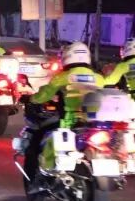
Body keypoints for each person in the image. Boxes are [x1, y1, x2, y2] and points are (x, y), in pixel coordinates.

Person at [27, 41, 105, 171]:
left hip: (71, 121)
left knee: (46, 139)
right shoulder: (99, 78)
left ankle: (45, 171)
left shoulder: (63, 77)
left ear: (67, 57)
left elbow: (44, 95)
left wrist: (31, 98)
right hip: (94, 122)